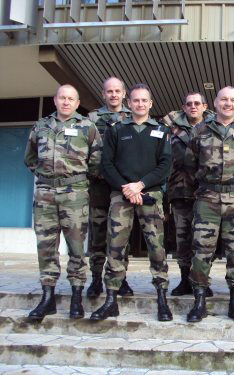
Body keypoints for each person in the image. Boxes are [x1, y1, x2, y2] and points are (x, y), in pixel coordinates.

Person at [91, 83, 172, 322]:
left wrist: (140, 185)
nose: (139, 104)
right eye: (135, 100)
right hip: (120, 194)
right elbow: (107, 164)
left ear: (150, 104)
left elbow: (165, 165)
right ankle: (110, 299)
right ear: (130, 103)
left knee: (156, 247)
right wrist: (127, 188)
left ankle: (162, 298)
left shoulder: (160, 130)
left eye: (144, 100)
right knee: (115, 246)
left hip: (150, 194)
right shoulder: (117, 129)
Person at [24, 84, 102, 321]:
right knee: (46, 246)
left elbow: (97, 160)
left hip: (75, 194)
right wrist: (48, 176)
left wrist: (76, 179)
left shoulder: (87, 127)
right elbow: (29, 157)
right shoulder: (41, 126)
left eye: (71, 99)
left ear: (77, 103)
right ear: (55, 100)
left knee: (77, 246)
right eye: (62, 98)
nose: (66, 102)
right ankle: (47, 297)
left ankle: (77, 296)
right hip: (45, 193)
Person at [185, 86, 234, 323]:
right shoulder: (199, 130)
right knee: (201, 250)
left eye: (233, 100)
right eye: (224, 99)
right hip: (207, 199)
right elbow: (189, 164)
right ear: (215, 103)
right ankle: (199, 302)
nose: (228, 103)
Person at [162, 92, 215, 297]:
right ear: (183, 107)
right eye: (189, 104)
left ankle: (202, 281)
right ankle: (185, 280)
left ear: (204, 106)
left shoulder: (212, 127)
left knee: (204, 241)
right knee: (182, 239)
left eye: (197, 104)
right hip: (180, 191)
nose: (193, 107)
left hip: (206, 193)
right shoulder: (171, 127)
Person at [86, 77, 133, 299]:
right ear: (103, 94)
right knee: (97, 235)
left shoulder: (133, 116)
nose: (113, 95)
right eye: (109, 91)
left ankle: (120, 278)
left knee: (121, 235)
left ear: (124, 93)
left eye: (117, 91)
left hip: (122, 186)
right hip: (99, 185)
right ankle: (96, 279)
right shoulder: (92, 118)